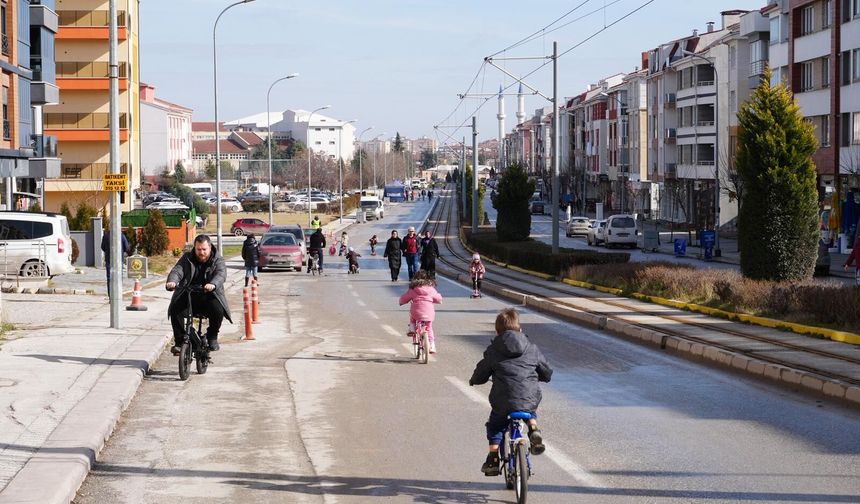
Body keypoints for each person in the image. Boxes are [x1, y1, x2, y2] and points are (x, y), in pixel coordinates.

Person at [469, 308, 552, 476]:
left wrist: (474, 380)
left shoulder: (493, 350)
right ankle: (533, 429)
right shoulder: (531, 348)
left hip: (503, 401)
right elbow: (546, 372)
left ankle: (493, 457)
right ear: (519, 328)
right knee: (528, 408)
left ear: (497, 331)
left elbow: (481, 372)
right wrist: (542, 377)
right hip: (528, 397)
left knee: (496, 425)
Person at [166, 235, 232, 353]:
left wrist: (213, 284)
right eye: (198, 249)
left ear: (210, 247)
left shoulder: (218, 260)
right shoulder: (187, 258)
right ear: (195, 248)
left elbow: (221, 274)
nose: (201, 253)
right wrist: (172, 281)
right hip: (190, 295)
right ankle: (180, 342)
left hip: (209, 295)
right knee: (175, 308)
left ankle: (212, 336)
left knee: (218, 310)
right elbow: (177, 270)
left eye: (204, 249)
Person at [398, 270, 442, 353]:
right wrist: (439, 301)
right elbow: (438, 298)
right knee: (429, 328)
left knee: (412, 314)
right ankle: (432, 345)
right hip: (429, 312)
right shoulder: (431, 289)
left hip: (416, 312)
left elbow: (404, 298)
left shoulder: (413, 289)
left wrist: (401, 302)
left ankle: (412, 328)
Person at [101, 230, 131, 297]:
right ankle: (118, 295)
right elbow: (126, 248)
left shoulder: (106, 236)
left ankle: (110, 296)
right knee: (119, 277)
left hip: (109, 260)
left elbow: (102, 247)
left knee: (109, 278)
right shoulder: (121, 236)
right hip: (119, 260)